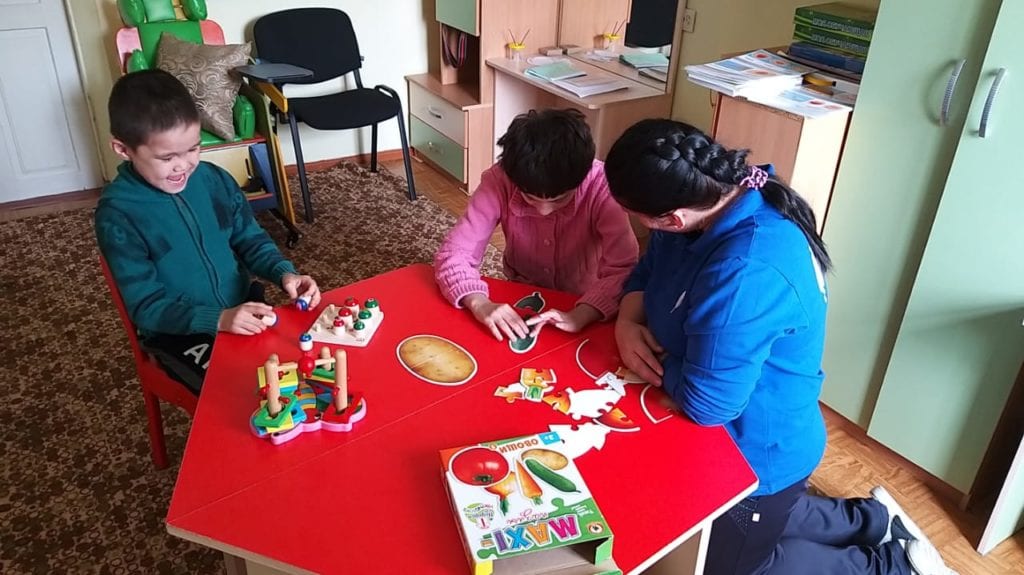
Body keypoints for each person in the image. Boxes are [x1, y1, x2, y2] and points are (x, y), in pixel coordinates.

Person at [604, 119, 957, 575]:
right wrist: (629, 321)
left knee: (742, 565)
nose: (640, 227)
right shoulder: (723, 195)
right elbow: (649, 267)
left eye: (638, 217)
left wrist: (662, 361)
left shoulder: (745, 270)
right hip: (764, 432)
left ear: (672, 219)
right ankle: (874, 519)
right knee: (767, 521)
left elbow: (708, 403)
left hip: (756, 451)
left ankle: (893, 565)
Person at [95, 69, 320, 395]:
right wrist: (218, 319)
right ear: (123, 149)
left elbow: (249, 238)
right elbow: (146, 307)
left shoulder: (213, 179)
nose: (184, 165)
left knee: (305, 369)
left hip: (242, 307)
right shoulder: (119, 215)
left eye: (193, 149)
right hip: (181, 332)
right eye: (167, 157)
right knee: (246, 399)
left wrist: (284, 273)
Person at [434, 108, 638, 341]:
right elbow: (455, 254)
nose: (543, 210)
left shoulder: (602, 185)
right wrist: (480, 303)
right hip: (520, 291)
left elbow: (624, 269)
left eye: (560, 199)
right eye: (529, 197)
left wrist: (581, 315)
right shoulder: (499, 180)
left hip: (586, 301)